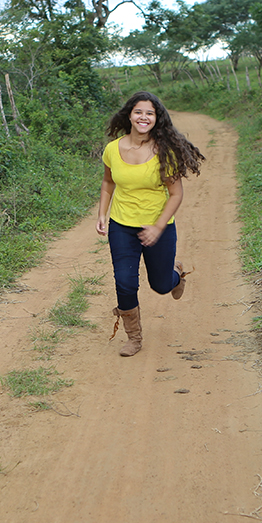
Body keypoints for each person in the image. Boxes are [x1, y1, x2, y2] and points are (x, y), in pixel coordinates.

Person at [96, 91, 206, 357]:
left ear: (157, 119)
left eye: (150, 113)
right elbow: (109, 182)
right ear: (129, 115)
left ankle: (176, 273)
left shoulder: (164, 152)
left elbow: (176, 194)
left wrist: (157, 227)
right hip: (121, 225)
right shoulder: (113, 149)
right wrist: (102, 213)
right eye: (138, 112)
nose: (143, 117)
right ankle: (134, 338)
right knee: (124, 282)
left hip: (160, 226)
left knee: (160, 285)